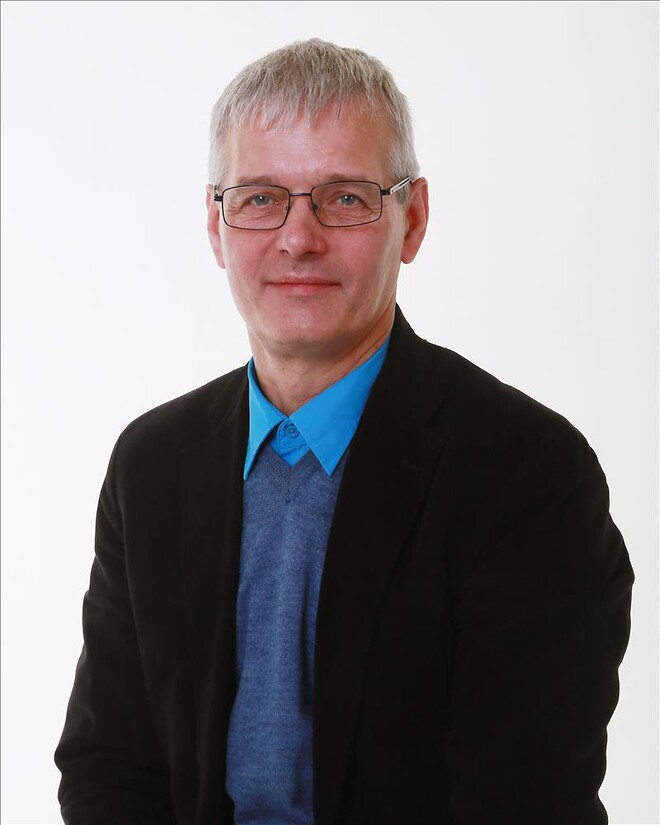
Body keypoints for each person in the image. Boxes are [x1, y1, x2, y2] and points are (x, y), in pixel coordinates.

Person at [55, 39, 634, 825]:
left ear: (412, 219)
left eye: (345, 197)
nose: (299, 237)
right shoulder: (151, 465)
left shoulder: (526, 474)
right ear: (216, 226)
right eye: (261, 197)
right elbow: (109, 769)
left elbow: (522, 803)